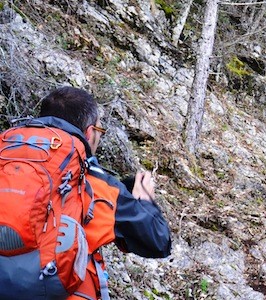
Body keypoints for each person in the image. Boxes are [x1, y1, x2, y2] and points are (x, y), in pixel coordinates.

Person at [38, 87, 172, 300]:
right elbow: (158, 241)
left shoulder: (5, 163)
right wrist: (145, 198)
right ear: (89, 133)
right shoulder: (97, 186)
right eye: (100, 131)